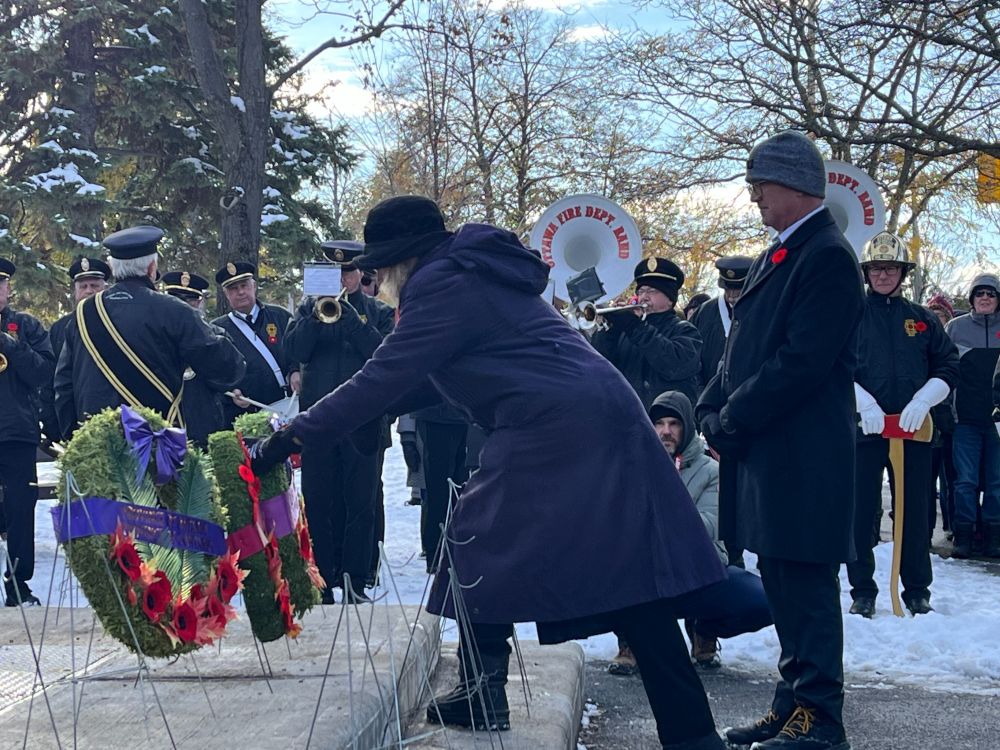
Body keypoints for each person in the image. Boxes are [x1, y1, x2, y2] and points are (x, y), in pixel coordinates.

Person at [249, 195, 729, 750]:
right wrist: (368, 413)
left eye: (379, 265)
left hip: (559, 423)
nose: (374, 277)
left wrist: (290, 437)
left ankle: (490, 689)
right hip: (584, 415)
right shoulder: (467, 272)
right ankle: (500, 691)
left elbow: (382, 376)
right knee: (618, 574)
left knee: (485, 532)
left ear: (405, 257)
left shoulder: (442, 283)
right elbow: (431, 376)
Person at [697, 130, 864, 750]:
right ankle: (791, 704)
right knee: (785, 580)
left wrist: (734, 418)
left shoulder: (825, 254)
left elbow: (801, 362)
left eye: (760, 184)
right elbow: (746, 350)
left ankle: (819, 719)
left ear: (795, 184)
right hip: (778, 454)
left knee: (806, 585)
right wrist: (712, 404)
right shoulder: (787, 251)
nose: (754, 196)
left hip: (804, 455)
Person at [609, 390, 771, 676]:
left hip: (700, 571)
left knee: (764, 602)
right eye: (659, 424)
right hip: (646, 573)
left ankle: (704, 627)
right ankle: (631, 640)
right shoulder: (633, 466)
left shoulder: (711, 470)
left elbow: (709, 525)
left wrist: (660, 515)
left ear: (687, 427)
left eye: (674, 423)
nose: (666, 432)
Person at [847, 233, 959, 618]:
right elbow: (830, 365)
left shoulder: (923, 319)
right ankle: (862, 588)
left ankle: (917, 589)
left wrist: (925, 398)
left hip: (914, 430)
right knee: (861, 511)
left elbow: (948, 365)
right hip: (866, 429)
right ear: (867, 273)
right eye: (877, 268)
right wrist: (862, 402)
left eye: (890, 268)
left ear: (902, 273)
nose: (883, 275)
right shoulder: (849, 315)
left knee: (914, 509)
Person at [54, 226, 246, 438]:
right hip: (159, 443)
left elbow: (64, 386)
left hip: (97, 443)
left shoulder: (83, 313)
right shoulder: (174, 310)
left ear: (112, 267)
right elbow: (227, 369)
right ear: (152, 268)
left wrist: (74, 438)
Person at [284, 240, 394, 603]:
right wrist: (316, 317)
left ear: (360, 272)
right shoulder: (306, 310)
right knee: (318, 500)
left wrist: (350, 318)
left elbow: (382, 354)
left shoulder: (377, 311)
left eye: (349, 272)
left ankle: (355, 580)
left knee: (360, 503)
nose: (344, 280)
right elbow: (295, 352)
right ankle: (323, 578)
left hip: (362, 423)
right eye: (337, 273)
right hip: (319, 422)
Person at [0, 257, 54, 606]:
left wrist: (11, 345)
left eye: (0, 284)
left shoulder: (26, 326)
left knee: (21, 508)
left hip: (15, 432)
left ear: (8, 288)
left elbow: (44, 373)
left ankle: (18, 585)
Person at [591, 257, 703, 407]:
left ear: (670, 298)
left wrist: (635, 327)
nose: (644, 296)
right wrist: (611, 329)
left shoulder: (685, 330)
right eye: (641, 291)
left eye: (652, 291)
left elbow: (674, 366)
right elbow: (599, 365)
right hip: (629, 416)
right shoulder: (628, 330)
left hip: (665, 421)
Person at [945, 273, 1000, 558]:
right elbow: (941, 368)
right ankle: (963, 535)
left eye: (991, 294)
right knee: (965, 480)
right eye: (980, 294)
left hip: (998, 424)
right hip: (965, 419)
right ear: (972, 299)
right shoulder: (955, 328)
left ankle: (993, 536)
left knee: (996, 482)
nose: (985, 298)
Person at [212, 260, 297, 425]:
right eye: (233, 289)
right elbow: (215, 373)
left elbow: (298, 351)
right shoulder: (217, 329)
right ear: (226, 294)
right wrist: (230, 393)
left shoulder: (280, 316)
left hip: (289, 405)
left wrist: (295, 371)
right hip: (249, 415)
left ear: (254, 286)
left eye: (244, 285)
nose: (241, 292)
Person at [161, 270, 239, 447]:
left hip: (204, 422)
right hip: (167, 425)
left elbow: (232, 373)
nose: (181, 306)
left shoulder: (215, 335)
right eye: (175, 299)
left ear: (197, 302)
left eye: (187, 301)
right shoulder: (154, 335)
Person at [39, 255, 111, 445]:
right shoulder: (60, 328)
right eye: (83, 286)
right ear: (75, 291)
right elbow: (52, 379)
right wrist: (55, 425)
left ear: (105, 287)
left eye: (94, 285)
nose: (89, 291)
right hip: (75, 417)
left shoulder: (117, 322)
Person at [925, 293, 958, 535]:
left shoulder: (955, 339)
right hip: (927, 418)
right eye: (933, 315)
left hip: (952, 418)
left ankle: (951, 524)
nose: (937, 320)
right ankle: (925, 529)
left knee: (952, 477)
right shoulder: (921, 342)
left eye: (942, 316)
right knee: (927, 476)